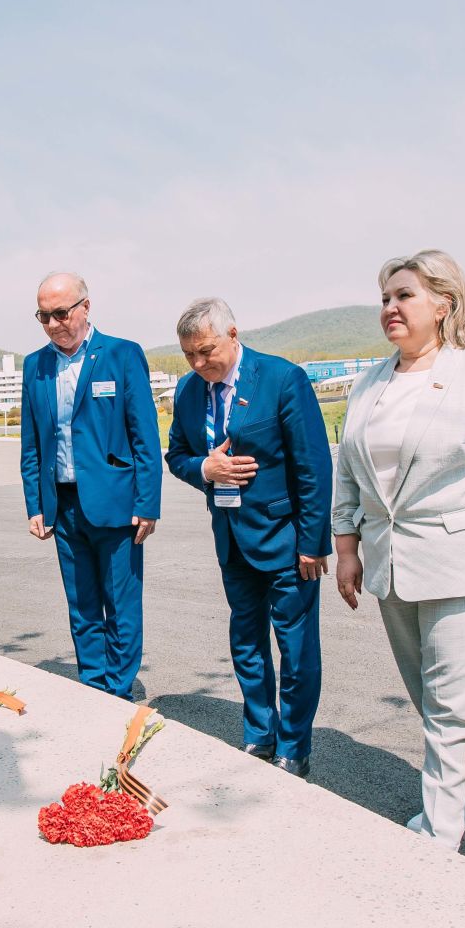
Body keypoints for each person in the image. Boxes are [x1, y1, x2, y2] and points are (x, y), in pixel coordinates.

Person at [331, 250, 465, 849]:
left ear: (443, 304)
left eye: (404, 295)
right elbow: (347, 474)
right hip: (391, 566)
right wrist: (347, 549)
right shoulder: (369, 383)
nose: (390, 308)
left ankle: (439, 835)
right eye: (385, 298)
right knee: (429, 698)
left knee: (454, 706)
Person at [165, 298, 332, 777]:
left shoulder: (282, 378)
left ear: (233, 334)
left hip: (286, 540)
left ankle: (294, 747)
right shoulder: (189, 390)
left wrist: (312, 543)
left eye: (207, 351)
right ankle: (259, 734)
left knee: (296, 650)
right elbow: (176, 455)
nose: (199, 364)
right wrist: (205, 468)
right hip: (231, 539)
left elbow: (313, 467)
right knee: (246, 642)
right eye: (189, 355)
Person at [20, 272, 161, 699]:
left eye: (61, 313)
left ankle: (118, 690)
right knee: (82, 604)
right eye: (43, 316)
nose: (53, 324)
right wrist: (35, 504)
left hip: (116, 505)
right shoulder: (36, 365)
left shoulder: (121, 355)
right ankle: (93, 687)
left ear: (85, 306)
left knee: (120, 604)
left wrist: (147, 503)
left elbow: (144, 436)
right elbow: (32, 443)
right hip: (63, 505)